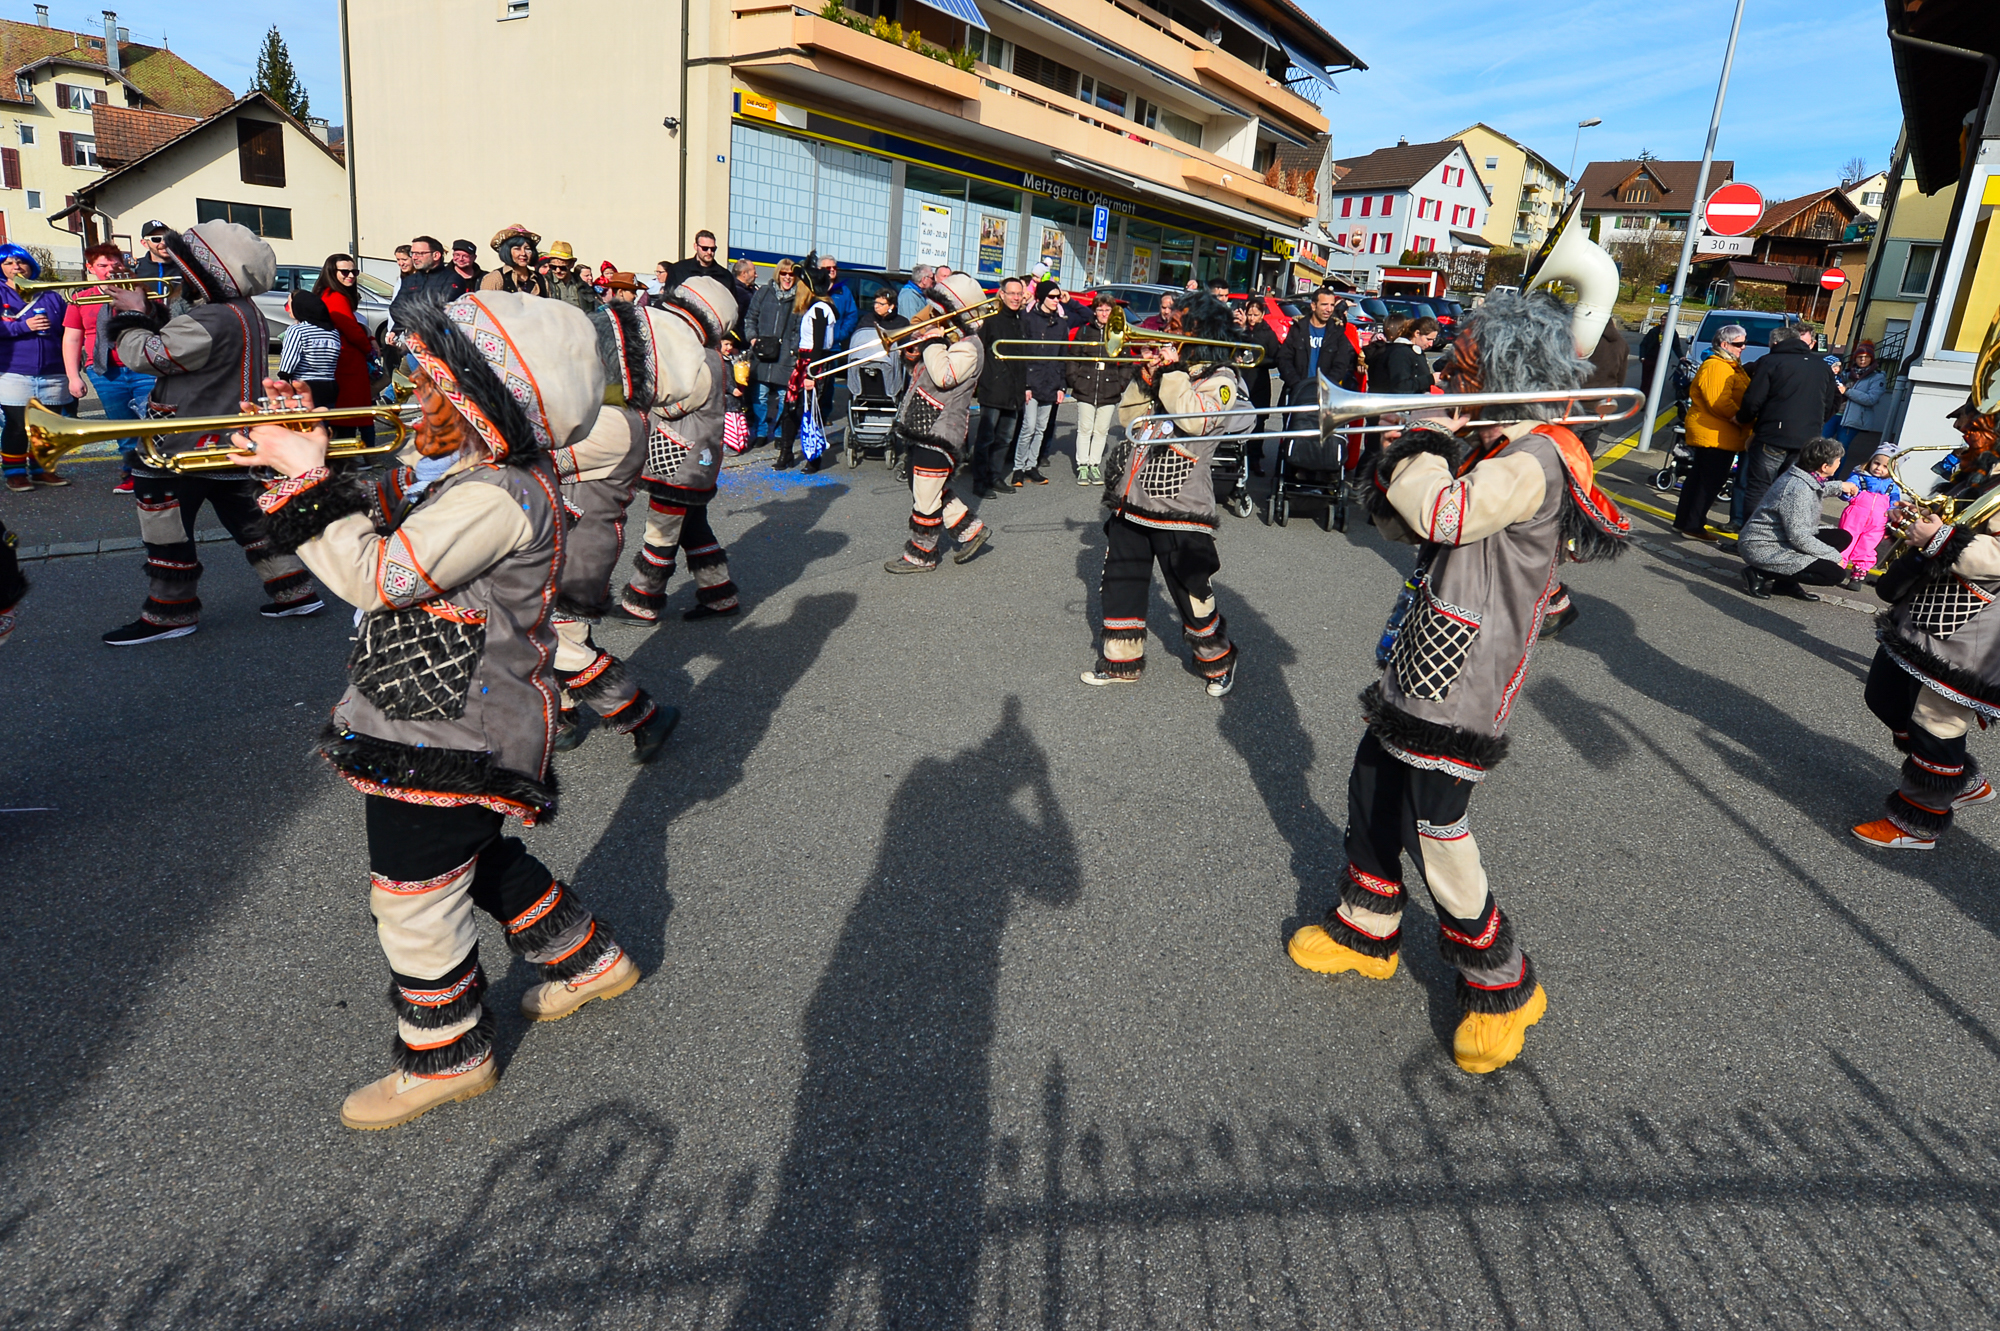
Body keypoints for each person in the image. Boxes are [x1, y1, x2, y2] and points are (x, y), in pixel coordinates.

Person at [235, 291, 640, 1129]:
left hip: (450, 724)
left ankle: (447, 1051)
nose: (410, 392)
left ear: (481, 397)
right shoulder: (474, 474)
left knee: (413, 894)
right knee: (474, 855)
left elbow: (377, 576)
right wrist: (306, 453)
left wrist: (304, 480)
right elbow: (391, 517)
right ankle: (588, 959)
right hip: (447, 707)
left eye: (430, 380)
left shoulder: (496, 495)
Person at [1287, 290, 1630, 1075]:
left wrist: (1422, 440)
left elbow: (1445, 513)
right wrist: (1406, 455)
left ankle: (1502, 981)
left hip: (1470, 667)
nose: (1447, 375)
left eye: (1465, 367)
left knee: (1436, 825)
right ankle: (1368, 925)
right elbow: (1406, 521)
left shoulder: (1535, 457)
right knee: (1374, 781)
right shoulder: (1493, 443)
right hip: (1430, 641)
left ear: (1507, 373)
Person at [100, 220, 323, 643]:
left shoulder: (213, 317)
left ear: (207, 270)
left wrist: (131, 315)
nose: (179, 272)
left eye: (186, 264)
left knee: (165, 526)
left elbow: (148, 356)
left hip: (181, 443)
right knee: (251, 520)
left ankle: (171, 612)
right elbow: (189, 348)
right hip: (231, 439)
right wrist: (154, 313)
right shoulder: (245, 311)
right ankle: (293, 591)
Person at [542, 301, 684, 759]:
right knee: (561, 634)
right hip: (567, 540)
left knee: (559, 641)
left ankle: (641, 715)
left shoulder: (614, 422)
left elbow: (542, 459)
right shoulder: (600, 413)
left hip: (582, 548)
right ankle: (563, 714)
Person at [1082, 292, 1242, 696]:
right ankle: (1121, 661)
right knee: (1121, 579)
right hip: (1133, 497)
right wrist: (1146, 377)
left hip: (1181, 502)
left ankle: (1218, 659)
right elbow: (1128, 420)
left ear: (1200, 332)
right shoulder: (1173, 371)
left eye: (1175, 326)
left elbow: (1195, 420)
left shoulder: (1221, 379)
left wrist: (1170, 371)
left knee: (1191, 589)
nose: (1165, 332)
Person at [1852, 491, 2000, 851]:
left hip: (1974, 631)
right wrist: (1920, 519)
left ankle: (1918, 823)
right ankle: (1961, 781)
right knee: (1884, 697)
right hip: (1927, 608)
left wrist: (1940, 538)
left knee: (1937, 724)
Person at [616, 277, 745, 622]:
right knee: (694, 528)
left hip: (677, 461)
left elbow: (674, 406)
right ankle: (719, 595)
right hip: (694, 462)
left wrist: (644, 388)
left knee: (660, 531)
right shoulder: (708, 357)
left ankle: (643, 599)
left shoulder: (699, 360)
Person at [883, 271, 991, 573]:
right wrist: (913, 354)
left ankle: (922, 554)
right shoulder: (949, 339)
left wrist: (931, 340)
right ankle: (970, 531)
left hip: (941, 431)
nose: (933, 315)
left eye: (942, 310)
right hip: (923, 424)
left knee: (926, 496)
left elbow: (944, 376)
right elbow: (925, 372)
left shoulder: (970, 346)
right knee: (924, 486)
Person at [64, 241, 154, 492]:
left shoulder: (138, 292)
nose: (111, 269)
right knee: (122, 426)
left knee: (153, 422)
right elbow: (72, 339)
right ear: (90, 268)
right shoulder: (80, 298)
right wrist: (73, 377)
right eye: (103, 265)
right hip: (104, 370)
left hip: (142, 365)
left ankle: (159, 472)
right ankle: (133, 473)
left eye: (116, 264)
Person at [1736, 322, 1842, 517]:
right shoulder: (1821, 366)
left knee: (1759, 487)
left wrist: (1742, 419)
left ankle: (1752, 533)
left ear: (1775, 343)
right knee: (1789, 490)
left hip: (1772, 434)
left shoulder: (1771, 361)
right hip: (1807, 437)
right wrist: (1817, 422)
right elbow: (1832, 401)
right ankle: (1777, 533)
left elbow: (1753, 399)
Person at [1738, 436, 1859, 600]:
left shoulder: (1801, 474)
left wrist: (1839, 486)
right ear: (1825, 466)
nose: (1839, 464)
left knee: (1841, 537)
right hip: (1763, 545)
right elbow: (1798, 537)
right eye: (1838, 461)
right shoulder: (1797, 489)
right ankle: (1759, 573)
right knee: (1834, 574)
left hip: (1782, 536)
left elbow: (1815, 488)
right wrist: (1833, 556)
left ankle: (1784, 584)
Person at [0, 244, 74, 491]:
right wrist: (24, 326)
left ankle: (43, 470)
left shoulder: (50, 295)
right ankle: (15, 473)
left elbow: (68, 330)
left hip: (53, 370)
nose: (16, 267)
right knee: (17, 426)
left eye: (21, 262)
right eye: (8, 263)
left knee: (46, 427)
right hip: (13, 370)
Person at [1673, 323, 1752, 542]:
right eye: (1739, 343)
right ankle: (1693, 524)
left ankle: (1685, 521)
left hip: (1717, 432)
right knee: (1709, 481)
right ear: (1724, 344)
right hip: (1716, 433)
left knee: (1699, 478)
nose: (1743, 347)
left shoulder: (1727, 364)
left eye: (1744, 342)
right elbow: (1718, 401)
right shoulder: (1717, 366)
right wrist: (1740, 417)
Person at [1065, 292, 1133, 487]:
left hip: (1110, 386)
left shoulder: (1120, 333)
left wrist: (1121, 384)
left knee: (1101, 430)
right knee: (1085, 428)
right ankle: (1082, 465)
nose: (1104, 313)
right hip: (1085, 384)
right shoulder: (1085, 331)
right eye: (1100, 309)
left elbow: (1127, 364)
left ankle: (1094, 464)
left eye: (1107, 310)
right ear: (1094, 311)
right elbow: (1073, 358)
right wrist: (1074, 380)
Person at [317, 254, 381, 447]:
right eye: (345, 272)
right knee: (353, 411)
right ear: (332, 272)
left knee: (350, 410)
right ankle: (359, 452)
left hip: (343, 359)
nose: (351, 275)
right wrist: (368, 347)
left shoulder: (331, 294)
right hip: (348, 360)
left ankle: (356, 451)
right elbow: (351, 329)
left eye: (354, 271)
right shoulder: (335, 296)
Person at [973, 277, 1028, 493]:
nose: (1016, 298)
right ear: (1002, 295)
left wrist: (1025, 387)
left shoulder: (1022, 321)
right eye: (1011, 293)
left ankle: (994, 476)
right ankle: (979, 481)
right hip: (993, 388)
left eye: (1019, 294)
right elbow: (978, 352)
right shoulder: (991, 321)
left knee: (1005, 439)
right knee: (986, 438)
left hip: (1014, 391)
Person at [1011, 279, 1069, 485]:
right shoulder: (1028, 319)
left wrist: (1062, 386)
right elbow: (1023, 353)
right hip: (1032, 381)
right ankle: (1018, 467)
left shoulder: (1061, 323)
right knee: (1028, 426)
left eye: (1058, 297)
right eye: (1052, 297)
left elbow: (1063, 356)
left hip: (1051, 382)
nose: (1056, 300)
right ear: (1042, 297)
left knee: (1041, 428)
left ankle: (1031, 465)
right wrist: (1025, 384)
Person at [744, 258, 804, 451]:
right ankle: (761, 432)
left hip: (785, 355)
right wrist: (753, 338)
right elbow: (750, 318)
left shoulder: (799, 299)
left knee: (783, 397)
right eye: (783, 273)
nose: (787, 277)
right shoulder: (763, 292)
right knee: (759, 396)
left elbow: (799, 329)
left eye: (791, 274)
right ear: (778, 274)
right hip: (762, 353)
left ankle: (779, 433)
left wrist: (793, 350)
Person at [788, 263, 838, 473]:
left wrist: (811, 374)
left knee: (809, 410)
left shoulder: (820, 309)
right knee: (792, 406)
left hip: (813, 363)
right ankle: (786, 453)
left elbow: (818, 345)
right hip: (805, 361)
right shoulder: (815, 307)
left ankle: (813, 457)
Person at [1277, 288, 1358, 409]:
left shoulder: (1337, 332)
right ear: (1314, 306)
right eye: (1324, 304)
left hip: (1326, 397)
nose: (1329, 309)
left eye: (1332, 305)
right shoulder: (1298, 329)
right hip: (1298, 394)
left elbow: (1341, 364)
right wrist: (1297, 384)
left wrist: (1325, 386)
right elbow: (1284, 359)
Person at [1836, 451, 1902, 576]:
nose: (1879, 468)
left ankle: (1860, 571)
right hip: (1854, 517)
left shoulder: (1892, 485)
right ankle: (1837, 565)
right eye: (1876, 463)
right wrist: (1848, 492)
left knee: (1867, 546)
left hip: (1878, 522)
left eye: (1885, 466)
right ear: (1870, 462)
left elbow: (1895, 502)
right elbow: (1849, 489)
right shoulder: (1859, 477)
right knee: (1846, 540)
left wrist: (1893, 512)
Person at [278, 289, 345, 408]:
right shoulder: (332, 332)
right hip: (330, 386)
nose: (287, 308)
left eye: (290, 304)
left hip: (304, 385)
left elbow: (289, 358)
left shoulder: (297, 330)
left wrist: (283, 378)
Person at [1836, 342, 1890, 475]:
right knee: (1821, 442)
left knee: (1839, 450)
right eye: (1860, 357)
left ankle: (1832, 477)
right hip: (1836, 413)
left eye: (1866, 357)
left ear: (1872, 358)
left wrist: (1847, 391)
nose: (1863, 360)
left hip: (1854, 419)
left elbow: (1871, 399)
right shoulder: (1847, 373)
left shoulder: (1877, 377)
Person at [1242, 299, 1282, 476]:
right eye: (1249, 314)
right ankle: (1238, 455)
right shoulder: (1241, 330)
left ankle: (1255, 458)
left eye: (1255, 315)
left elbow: (1276, 358)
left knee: (1258, 422)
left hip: (1259, 381)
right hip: (1241, 381)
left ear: (1262, 315)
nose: (1252, 318)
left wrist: (1257, 360)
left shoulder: (1267, 333)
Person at [481, 224, 547, 297]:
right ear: (507, 251)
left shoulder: (541, 280)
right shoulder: (495, 278)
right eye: (517, 249)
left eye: (527, 249)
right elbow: (485, 303)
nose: (523, 253)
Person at [542, 243, 599, 313]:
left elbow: (593, 310)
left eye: (562, 267)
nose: (558, 270)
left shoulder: (583, 286)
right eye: (553, 267)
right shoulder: (544, 284)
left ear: (572, 264)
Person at [1638, 319, 1686, 401]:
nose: (1663, 321)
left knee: (1653, 380)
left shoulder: (1672, 333)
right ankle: (1642, 398)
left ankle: (1648, 399)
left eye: (1665, 319)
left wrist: (1681, 356)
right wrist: (1642, 357)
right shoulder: (1653, 331)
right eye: (1662, 319)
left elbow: (1676, 346)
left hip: (1661, 361)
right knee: (1645, 380)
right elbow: (1644, 344)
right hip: (1649, 359)